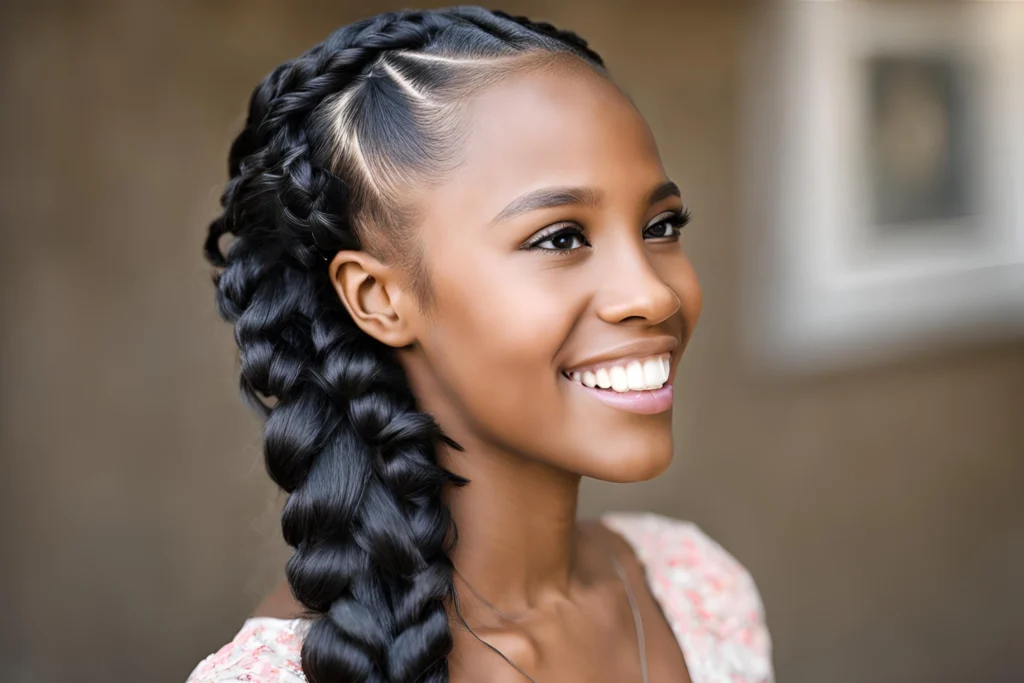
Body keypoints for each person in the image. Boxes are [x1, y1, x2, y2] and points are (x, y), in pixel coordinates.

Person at [186, 6, 773, 683]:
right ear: (379, 298)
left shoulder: (696, 591)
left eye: (661, 224)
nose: (653, 294)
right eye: (560, 237)